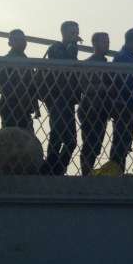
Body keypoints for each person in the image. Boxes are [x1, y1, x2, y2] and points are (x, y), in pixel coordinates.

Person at [40, 21, 81, 175]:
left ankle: (56, 169)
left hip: (68, 99)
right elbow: (65, 67)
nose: (75, 35)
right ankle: (51, 169)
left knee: (68, 139)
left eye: (76, 32)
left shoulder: (70, 49)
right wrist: (72, 49)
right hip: (56, 97)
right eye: (72, 32)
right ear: (63, 33)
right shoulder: (55, 48)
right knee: (58, 135)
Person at [109, 28, 133, 170]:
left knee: (122, 139)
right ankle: (116, 170)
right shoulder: (124, 57)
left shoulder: (126, 56)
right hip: (124, 103)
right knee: (121, 139)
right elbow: (127, 83)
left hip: (126, 103)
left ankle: (117, 170)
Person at [78, 32, 112, 176]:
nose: (107, 44)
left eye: (107, 41)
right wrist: (104, 87)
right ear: (95, 44)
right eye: (104, 42)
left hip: (102, 109)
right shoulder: (88, 64)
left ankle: (88, 172)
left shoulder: (106, 64)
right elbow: (84, 86)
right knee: (90, 144)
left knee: (96, 145)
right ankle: (85, 174)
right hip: (89, 108)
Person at [0, 30, 38, 132]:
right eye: (17, 40)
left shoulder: (25, 61)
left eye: (23, 39)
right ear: (10, 42)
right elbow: (0, 85)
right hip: (11, 106)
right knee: (13, 139)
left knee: (22, 139)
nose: (22, 42)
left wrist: (34, 105)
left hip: (23, 107)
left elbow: (31, 85)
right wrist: (19, 94)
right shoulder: (6, 61)